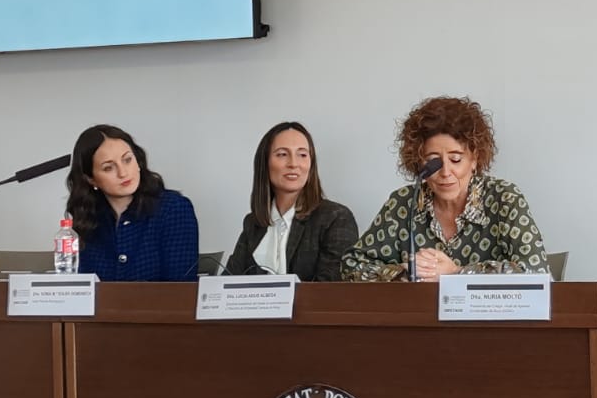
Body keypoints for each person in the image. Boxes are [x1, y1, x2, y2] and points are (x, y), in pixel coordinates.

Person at [342, 96, 547, 281]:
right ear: (419, 162)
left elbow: (536, 271)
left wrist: (456, 273)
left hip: (486, 321)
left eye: (456, 159)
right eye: (434, 162)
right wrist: (405, 271)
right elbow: (351, 265)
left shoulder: (504, 198)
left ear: (474, 159)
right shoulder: (404, 202)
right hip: (418, 319)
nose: (446, 172)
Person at [224, 122, 359, 280]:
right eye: (282, 154)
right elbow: (226, 284)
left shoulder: (336, 218)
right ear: (264, 163)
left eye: (302, 155)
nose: (294, 164)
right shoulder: (253, 224)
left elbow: (329, 292)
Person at [67, 124, 200, 281]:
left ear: (138, 162)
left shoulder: (173, 209)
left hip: (161, 306)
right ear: (91, 179)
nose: (123, 173)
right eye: (109, 168)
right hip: (102, 306)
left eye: (127, 160)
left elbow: (180, 289)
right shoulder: (88, 219)